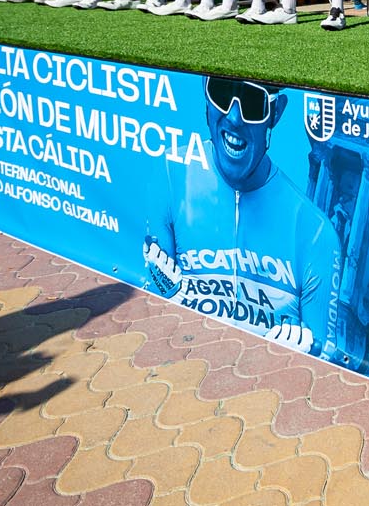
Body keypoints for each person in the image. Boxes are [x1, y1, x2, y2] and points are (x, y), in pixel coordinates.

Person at [141, 76, 342, 357]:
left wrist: (306, 354)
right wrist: (169, 296)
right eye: (221, 93)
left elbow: (328, 354)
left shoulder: (316, 232)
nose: (234, 118)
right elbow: (151, 308)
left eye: (252, 102)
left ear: (276, 112)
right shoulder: (172, 174)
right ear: (205, 93)